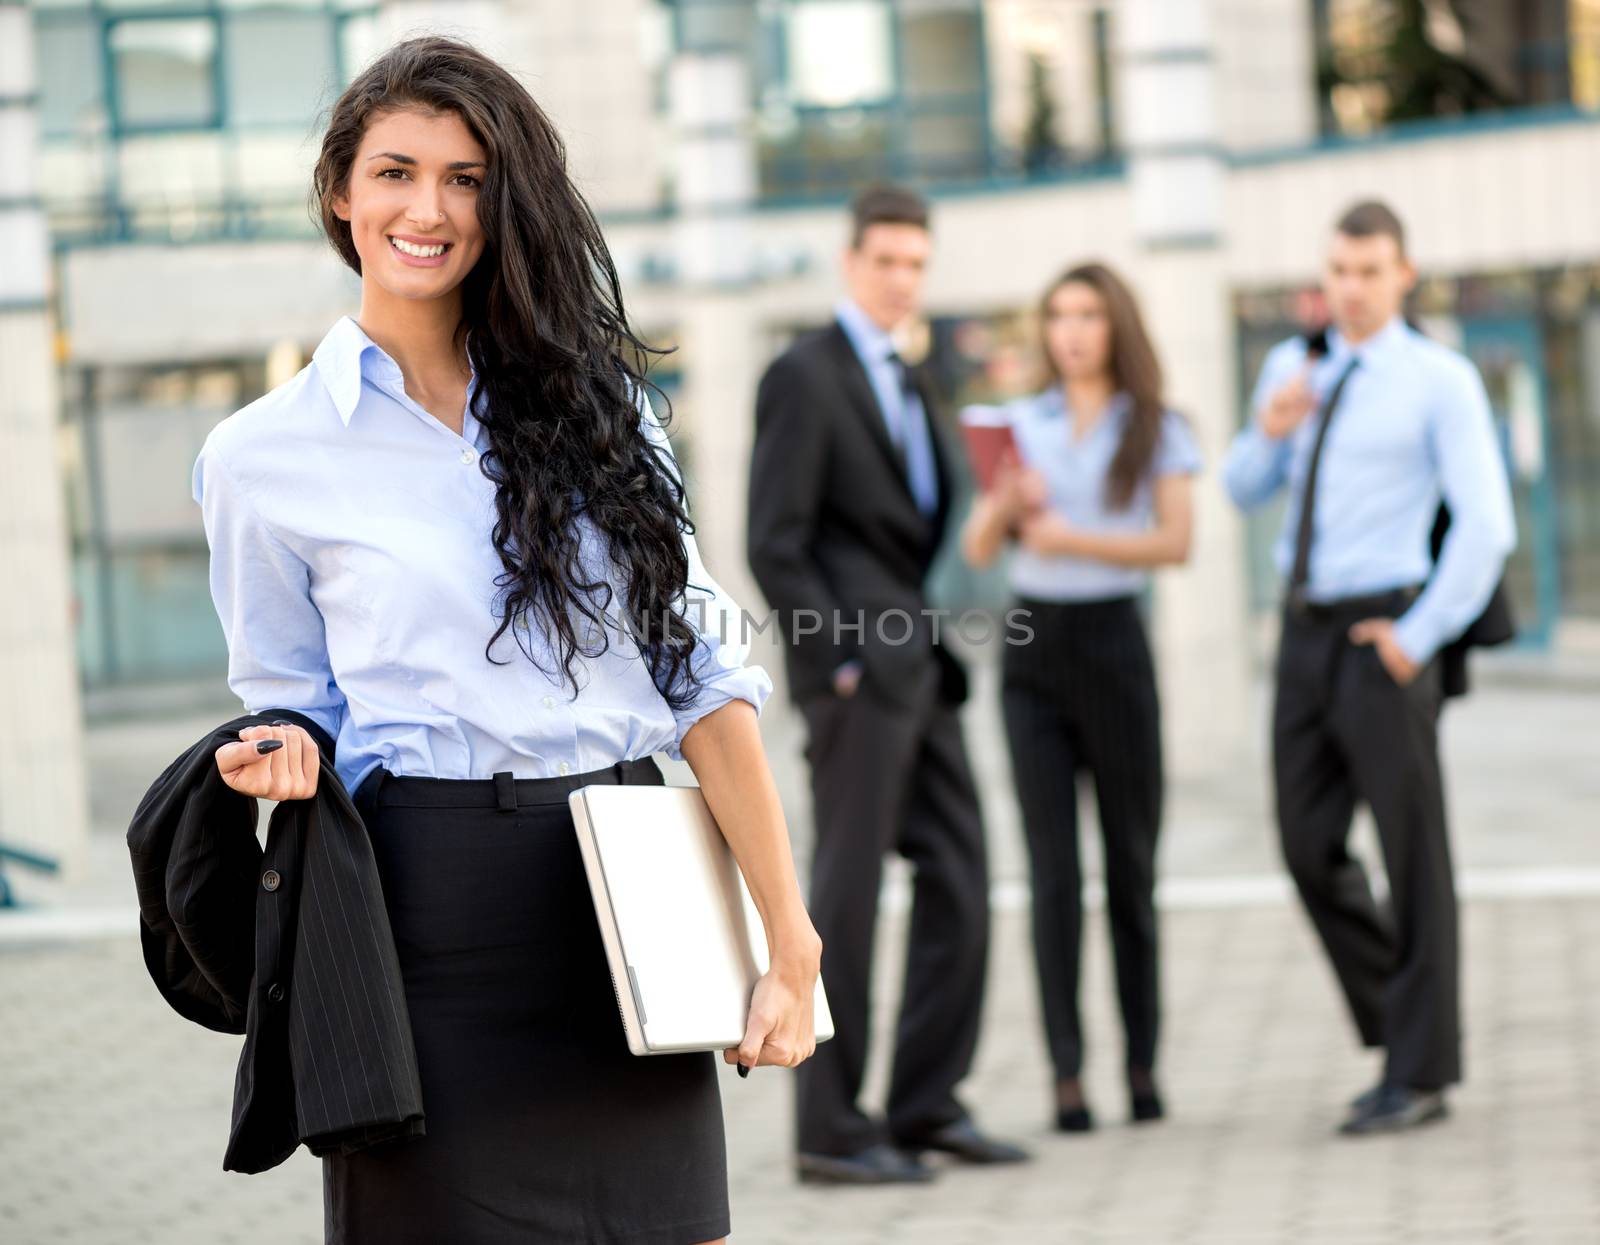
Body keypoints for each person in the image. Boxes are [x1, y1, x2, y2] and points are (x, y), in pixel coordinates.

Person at [191, 36, 821, 1244]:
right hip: (428, 915)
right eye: (395, 171)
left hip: (631, 884)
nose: (427, 208)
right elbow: (293, 700)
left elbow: (703, 675)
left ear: (505, 203)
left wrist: (785, 931)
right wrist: (273, 757)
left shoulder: (599, 408)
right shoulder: (259, 457)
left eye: (467, 179)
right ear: (341, 191)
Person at [747, 186, 1028, 1184]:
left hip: (923, 671)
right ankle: (829, 1127)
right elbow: (774, 544)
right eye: (885, 260)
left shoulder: (913, 381)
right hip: (860, 681)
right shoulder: (802, 375)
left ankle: (923, 1103)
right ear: (849, 260)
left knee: (959, 880)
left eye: (916, 262)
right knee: (848, 899)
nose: (901, 278)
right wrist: (840, 663)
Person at [1222, 200, 1516, 1135]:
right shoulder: (1292, 367)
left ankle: (1419, 1071)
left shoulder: (1440, 380)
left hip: (1384, 632)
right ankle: (1404, 1020)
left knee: (1412, 852)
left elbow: (1488, 525)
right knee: (1307, 847)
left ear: (1404, 276)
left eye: (1369, 270)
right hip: (1302, 634)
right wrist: (1269, 428)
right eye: (1338, 270)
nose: (1350, 287)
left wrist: (1417, 636)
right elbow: (1238, 488)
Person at [961, 262, 1199, 1133]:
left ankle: (1141, 1064)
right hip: (1032, 651)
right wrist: (1008, 504)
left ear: (1115, 326)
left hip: (1114, 646)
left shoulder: (1157, 426)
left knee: (1131, 868)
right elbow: (982, 546)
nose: (1071, 331)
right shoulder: (1019, 424)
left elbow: (1176, 543)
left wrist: (1072, 535)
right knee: (1053, 873)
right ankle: (1066, 1074)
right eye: (1059, 314)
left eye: (1089, 314)